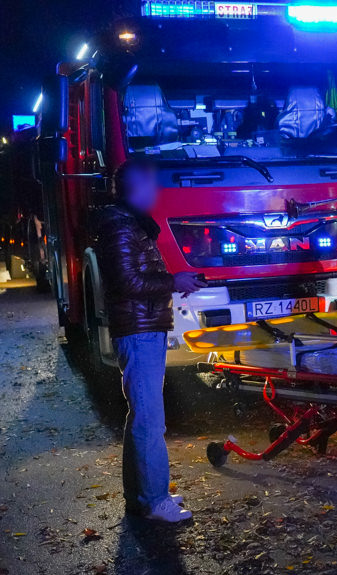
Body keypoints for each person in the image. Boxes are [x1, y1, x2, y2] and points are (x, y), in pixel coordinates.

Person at [95, 159, 206, 522]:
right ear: (135, 189)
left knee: (141, 418)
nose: (156, 192)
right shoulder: (121, 228)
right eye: (150, 185)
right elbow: (127, 282)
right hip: (139, 332)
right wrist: (174, 282)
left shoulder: (127, 224)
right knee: (149, 421)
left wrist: (176, 281)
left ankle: (144, 495)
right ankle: (155, 501)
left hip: (144, 329)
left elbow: (135, 278)